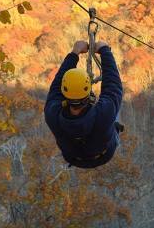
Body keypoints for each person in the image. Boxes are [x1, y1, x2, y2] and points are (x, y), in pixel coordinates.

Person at [44, 40, 123, 168]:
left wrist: (74, 53)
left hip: (73, 157)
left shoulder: (52, 114)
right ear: (88, 95)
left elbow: (57, 85)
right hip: (104, 154)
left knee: (110, 114)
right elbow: (113, 84)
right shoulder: (104, 113)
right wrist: (104, 51)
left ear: (64, 93)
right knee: (112, 115)